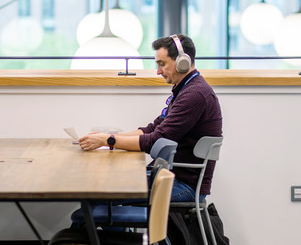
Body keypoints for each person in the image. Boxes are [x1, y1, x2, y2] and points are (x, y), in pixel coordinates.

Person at [79, 34, 223, 202]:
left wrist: (108, 140)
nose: (158, 71)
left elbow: (156, 140)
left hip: (184, 185)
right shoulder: (186, 90)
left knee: (103, 194)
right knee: (104, 187)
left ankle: (92, 228)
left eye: (162, 64)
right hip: (170, 177)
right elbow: (152, 129)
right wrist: (104, 138)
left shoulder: (195, 95)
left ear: (182, 61)